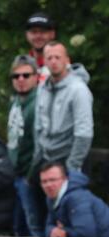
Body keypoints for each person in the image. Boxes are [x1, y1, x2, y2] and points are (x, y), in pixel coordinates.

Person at [32, 42, 92, 177]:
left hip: (69, 159)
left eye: (58, 57)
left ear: (67, 60)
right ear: (44, 62)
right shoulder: (42, 88)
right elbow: (38, 126)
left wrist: (72, 166)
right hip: (46, 159)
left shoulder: (78, 89)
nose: (53, 61)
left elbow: (84, 132)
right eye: (49, 58)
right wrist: (38, 158)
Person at [7, 55, 44, 237]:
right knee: (18, 226)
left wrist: (30, 176)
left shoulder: (39, 103)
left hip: (31, 175)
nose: (20, 79)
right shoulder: (15, 101)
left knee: (34, 226)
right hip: (16, 173)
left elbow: (40, 144)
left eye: (26, 75)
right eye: (16, 76)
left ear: (36, 77)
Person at [40, 162, 109, 237]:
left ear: (65, 179)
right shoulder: (51, 197)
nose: (48, 185)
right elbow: (49, 225)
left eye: (53, 180)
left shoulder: (76, 197)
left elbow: (86, 233)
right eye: (44, 181)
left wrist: (64, 231)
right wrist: (52, 232)